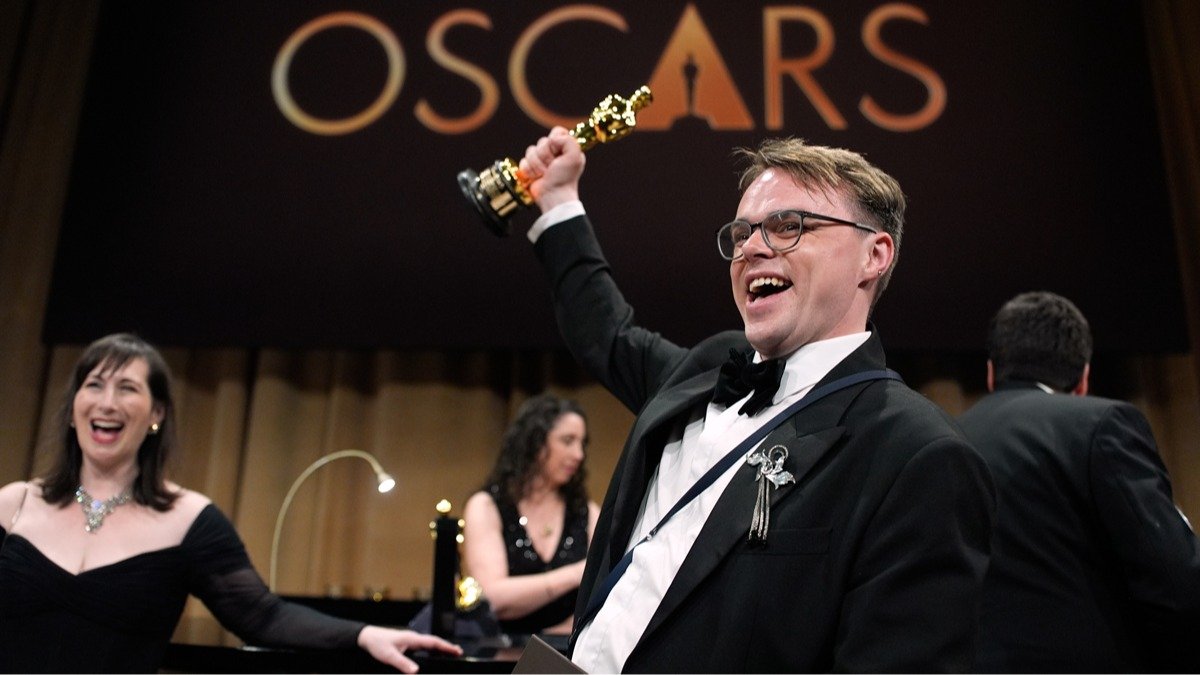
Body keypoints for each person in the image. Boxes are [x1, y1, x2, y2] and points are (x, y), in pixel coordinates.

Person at [511, 128, 996, 672]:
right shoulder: (708, 368)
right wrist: (559, 200)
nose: (753, 248)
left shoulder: (918, 454)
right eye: (743, 232)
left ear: (874, 255)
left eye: (789, 226)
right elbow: (606, 332)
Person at [0, 333, 462, 673]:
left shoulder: (188, 520)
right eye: (95, 385)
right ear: (74, 406)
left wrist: (364, 634)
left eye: (127, 388)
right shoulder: (14, 505)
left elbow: (264, 616)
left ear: (157, 414)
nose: (107, 402)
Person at [957, 291, 1200, 672]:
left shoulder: (942, 441)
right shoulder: (1100, 424)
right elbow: (1177, 581)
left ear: (991, 372)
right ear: (1084, 379)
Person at [462, 394, 600, 636]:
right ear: (534, 442)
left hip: (566, 649)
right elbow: (493, 597)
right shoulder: (487, 506)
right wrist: (577, 573)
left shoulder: (587, 512)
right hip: (501, 649)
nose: (579, 454)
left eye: (582, 444)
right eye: (568, 441)